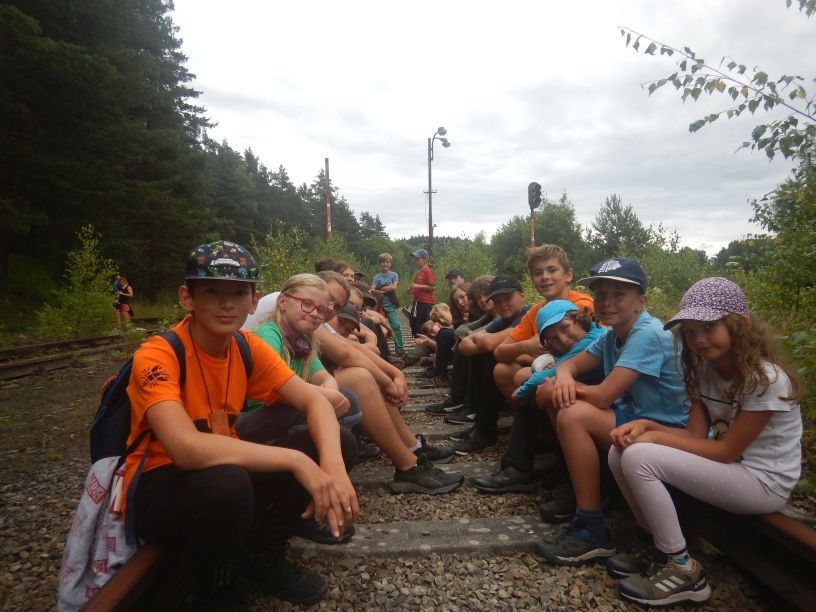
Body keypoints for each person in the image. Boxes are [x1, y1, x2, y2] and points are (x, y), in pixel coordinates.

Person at [125, 241, 358, 607]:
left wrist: (333, 468)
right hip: (160, 487)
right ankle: (216, 589)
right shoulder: (159, 354)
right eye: (212, 291)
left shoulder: (246, 347)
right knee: (228, 482)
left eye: (238, 293)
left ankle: (260, 552)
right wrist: (297, 461)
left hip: (224, 475)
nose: (227, 303)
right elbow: (184, 448)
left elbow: (315, 400)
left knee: (340, 442)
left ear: (253, 302)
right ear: (187, 298)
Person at [606, 277, 802, 606]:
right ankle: (658, 546)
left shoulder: (765, 379)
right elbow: (693, 437)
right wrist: (646, 426)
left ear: (740, 325)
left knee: (640, 457)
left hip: (764, 483)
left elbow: (726, 450)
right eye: (690, 331)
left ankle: (682, 569)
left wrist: (653, 438)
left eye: (709, 327)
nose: (698, 339)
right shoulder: (705, 372)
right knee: (620, 449)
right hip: (732, 470)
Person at [535, 257, 688, 565]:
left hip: (667, 429)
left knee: (572, 413)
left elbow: (604, 396)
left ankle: (592, 529)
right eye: (601, 294)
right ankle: (588, 505)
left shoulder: (647, 333)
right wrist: (563, 378)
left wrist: (560, 388)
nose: (607, 302)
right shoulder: (612, 335)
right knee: (565, 404)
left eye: (619, 294)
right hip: (637, 420)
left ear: (641, 301)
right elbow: (570, 364)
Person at [240, 274, 363, 544]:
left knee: (345, 404)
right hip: (259, 428)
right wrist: (326, 399)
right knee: (333, 420)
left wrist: (329, 391)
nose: (315, 313)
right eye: (307, 304)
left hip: (283, 420)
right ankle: (296, 506)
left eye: (322, 310)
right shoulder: (268, 335)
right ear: (282, 303)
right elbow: (281, 391)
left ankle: (308, 500)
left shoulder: (303, 341)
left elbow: (324, 377)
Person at [314, 270, 464, 492]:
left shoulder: (317, 315)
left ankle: (412, 447)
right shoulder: (302, 306)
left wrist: (396, 374)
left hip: (307, 381)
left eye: (336, 306)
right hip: (291, 388)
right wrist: (387, 381)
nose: (330, 309)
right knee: (361, 377)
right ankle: (408, 466)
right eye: (330, 301)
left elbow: (350, 348)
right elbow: (344, 353)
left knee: (369, 375)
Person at [473, 300, 606, 492]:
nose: (563, 339)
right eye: (553, 338)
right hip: (590, 397)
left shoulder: (594, 338)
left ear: (579, 319)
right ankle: (528, 466)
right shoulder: (585, 338)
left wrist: (519, 393)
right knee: (542, 391)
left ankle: (559, 477)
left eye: (565, 328)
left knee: (542, 390)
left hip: (605, 405)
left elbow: (555, 371)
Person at [450, 274, 530, 454]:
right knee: (481, 352)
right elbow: (463, 346)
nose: (503, 304)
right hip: (519, 369)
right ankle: (481, 422)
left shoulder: (528, 314)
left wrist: (480, 338)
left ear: (522, 296)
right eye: (498, 301)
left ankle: (486, 429)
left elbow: (488, 344)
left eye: (508, 298)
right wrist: (482, 340)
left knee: (490, 353)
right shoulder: (503, 321)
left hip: (535, 370)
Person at [370, 253, 404, 355]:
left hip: (390, 304)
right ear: (379, 264)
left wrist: (379, 288)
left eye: (387, 262)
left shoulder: (394, 275)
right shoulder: (376, 277)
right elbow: (372, 290)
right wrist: (386, 288)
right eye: (383, 262)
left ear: (390, 264)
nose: (385, 264)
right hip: (379, 305)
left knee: (396, 325)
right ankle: (381, 349)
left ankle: (399, 349)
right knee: (379, 326)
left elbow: (393, 288)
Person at [408, 249, 435, 337]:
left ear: (424, 260)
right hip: (417, 302)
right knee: (414, 322)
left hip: (426, 303)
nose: (416, 260)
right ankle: (418, 339)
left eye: (418, 258)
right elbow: (417, 287)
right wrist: (411, 290)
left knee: (424, 324)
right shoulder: (418, 273)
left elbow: (432, 287)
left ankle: (425, 341)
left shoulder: (428, 271)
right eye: (415, 258)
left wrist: (417, 286)